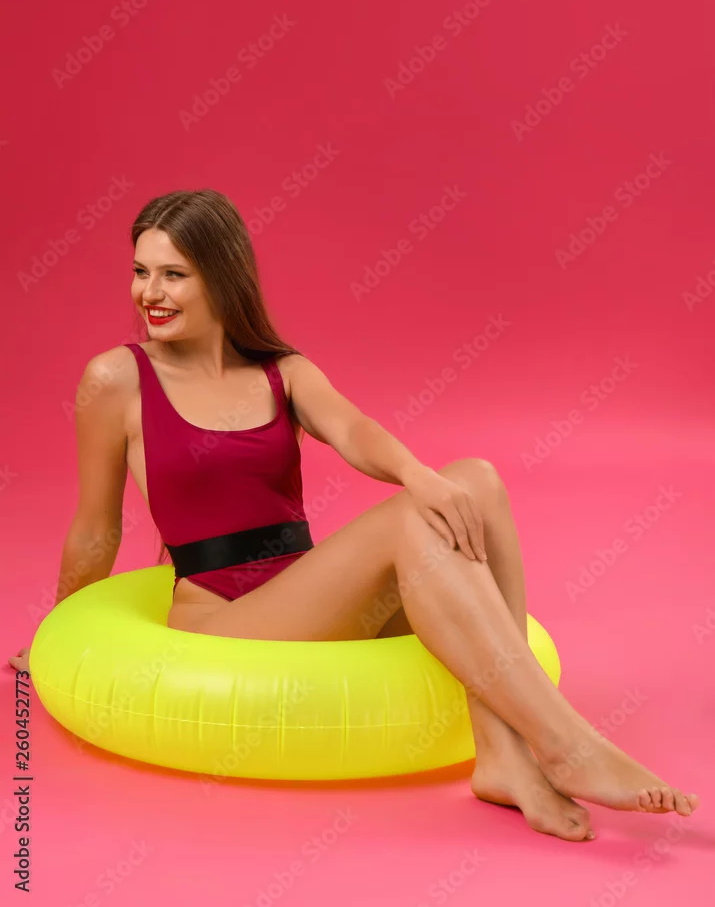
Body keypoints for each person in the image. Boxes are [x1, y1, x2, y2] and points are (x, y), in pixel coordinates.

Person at [8, 189, 699, 841]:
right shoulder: (117, 379)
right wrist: (63, 637)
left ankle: (504, 757)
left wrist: (418, 474)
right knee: (408, 521)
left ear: (221, 276)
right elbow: (97, 526)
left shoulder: (282, 371)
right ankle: (567, 746)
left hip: (308, 595)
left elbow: (353, 429)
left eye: (173, 275)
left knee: (477, 481)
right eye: (140, 272)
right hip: (222, 616)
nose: (149, 294)